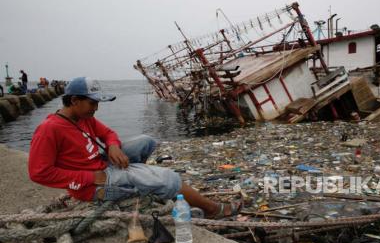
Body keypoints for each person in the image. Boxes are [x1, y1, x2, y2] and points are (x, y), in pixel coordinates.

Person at [28, 77, 239, 218]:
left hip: (102, 163)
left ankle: (140, 178)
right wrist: (90, 178)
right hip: (94, 183)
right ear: (74, 100)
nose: (96, 108)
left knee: (146, 140)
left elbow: (108, 134)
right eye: (93, 103)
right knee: (170, 178)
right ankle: (213, 209)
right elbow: (39, 173)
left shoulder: (83, 117)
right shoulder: (50, 129)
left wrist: (112, 147)